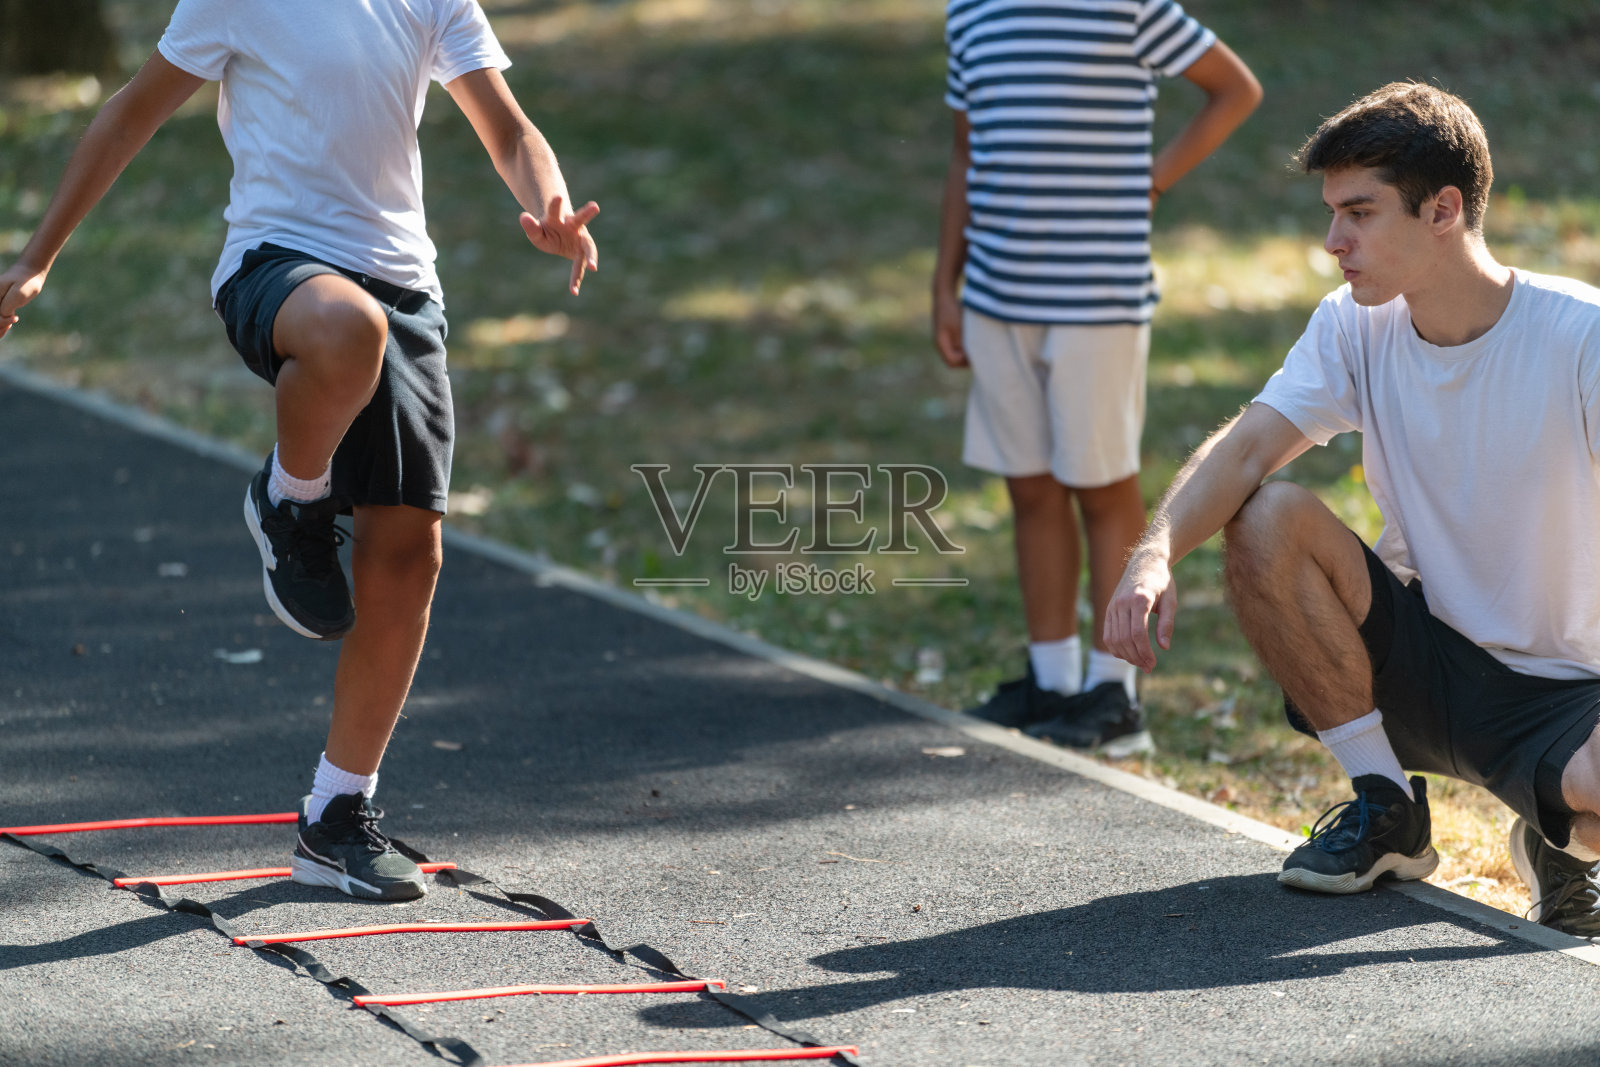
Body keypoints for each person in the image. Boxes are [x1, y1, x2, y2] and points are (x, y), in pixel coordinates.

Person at [0, 0, 598, 901]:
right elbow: (130, 114)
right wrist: (37, 256)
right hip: (275, 267)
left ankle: (336, 817)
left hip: (405, 287)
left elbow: (508, 128)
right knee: (350, 329)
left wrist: (547, 199)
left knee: (409, 551)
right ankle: (291, 496)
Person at [1104, 80, 1600, 938]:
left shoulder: (1580, 337)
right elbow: (1247, 449)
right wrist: (1154, 552)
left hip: (1567, 690)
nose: (1334, 241)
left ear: (1443, 210)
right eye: (1333, 214)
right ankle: (1385, 805)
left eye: (1360, 213)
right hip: (1423, 656)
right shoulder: (1354, 325)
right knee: (1268, 515)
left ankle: (1559, 837)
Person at [933, 0, 1260, 754]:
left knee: (1103, 485)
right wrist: (944, 285)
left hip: (1096, 301)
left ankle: (1114, 694)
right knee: (1030, 487)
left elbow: (1235, 89)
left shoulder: (1127, 7)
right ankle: (1051, 682)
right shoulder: (970, 12)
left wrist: (1153, 181)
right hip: (996, 299)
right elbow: (964, 155)